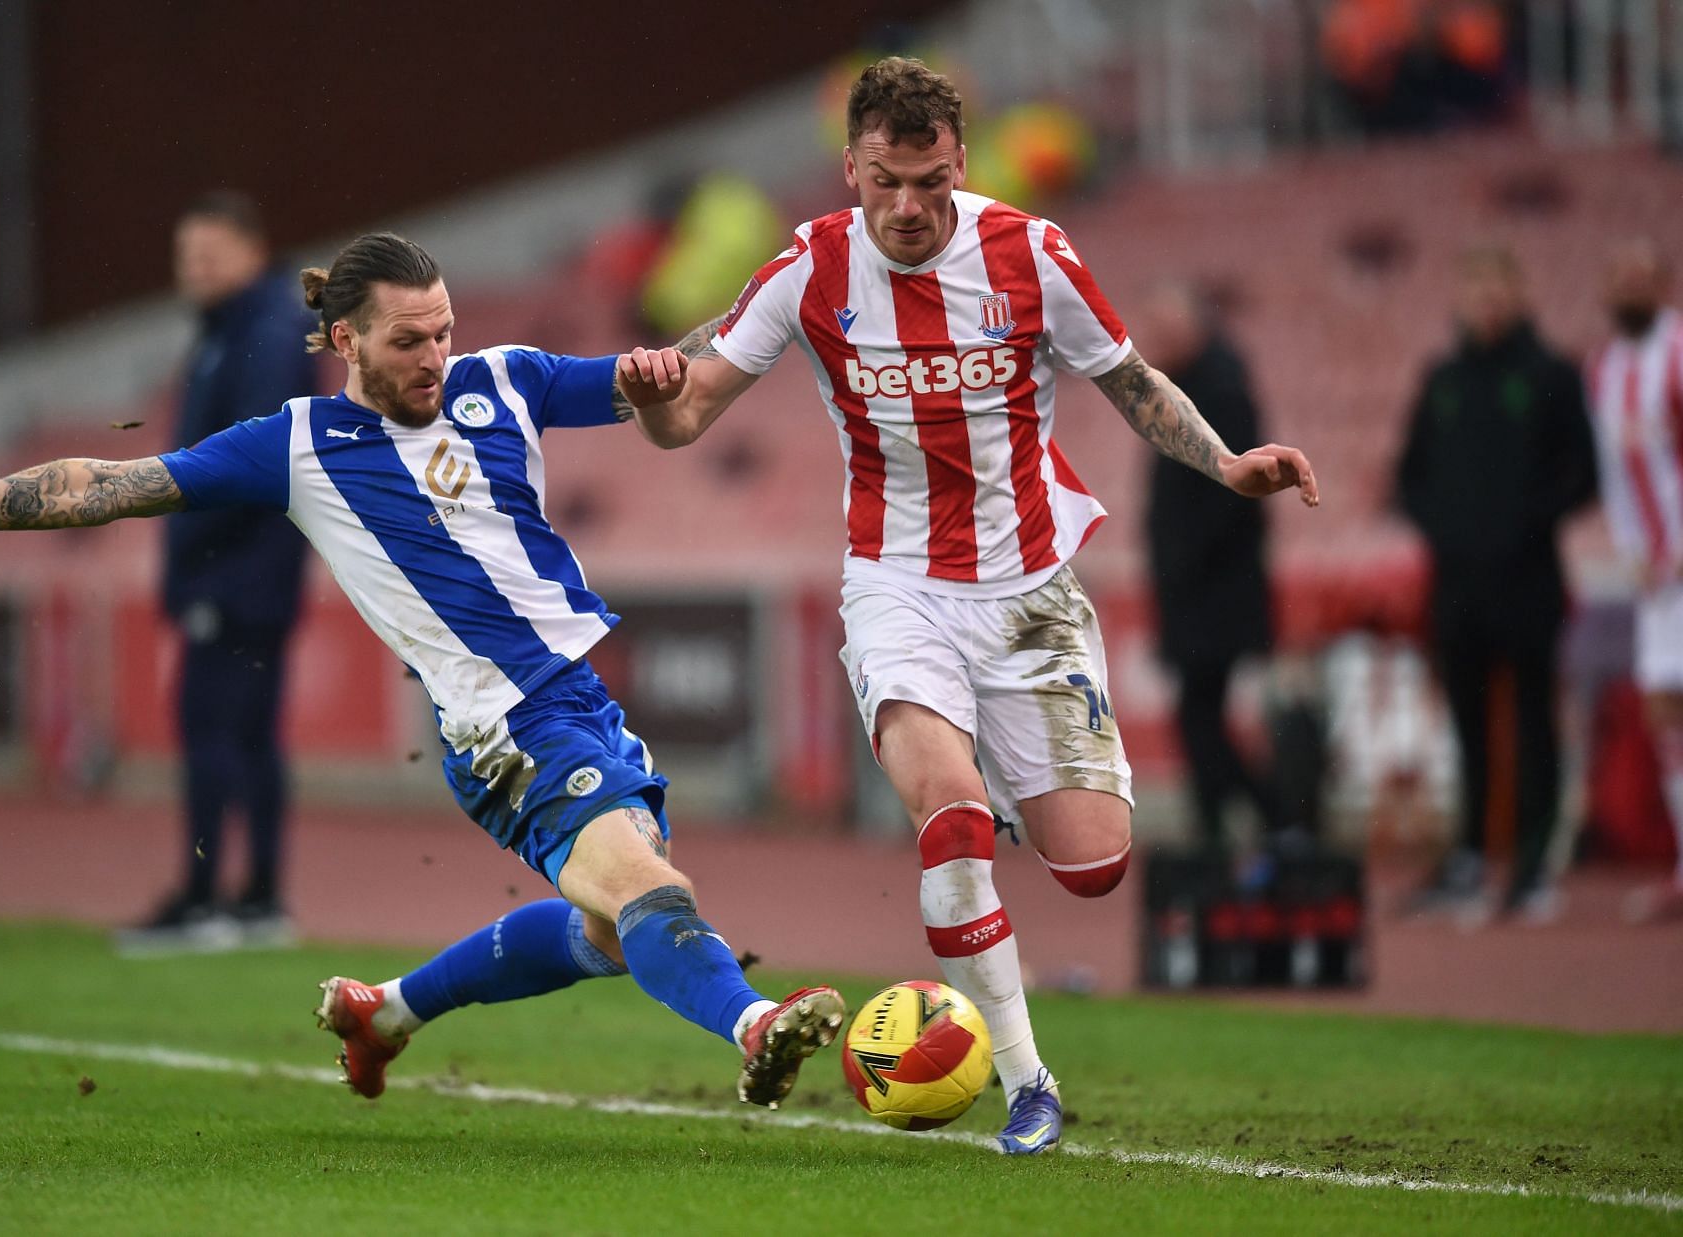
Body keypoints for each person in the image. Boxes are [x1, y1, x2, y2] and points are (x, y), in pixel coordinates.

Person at [0, 231, 844, 1112]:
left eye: (442, 332)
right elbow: (102, 483)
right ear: (343, 339)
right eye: (406, 340)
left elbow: (671, 392)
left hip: (582, 699)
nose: (434, 357)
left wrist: (665, 375)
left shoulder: (507, 381)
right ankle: (755, 1027)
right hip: (502, 725)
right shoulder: (297, 444)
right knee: (657, 893)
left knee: (613, 932)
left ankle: (385, 1012)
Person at [621, 57, 1319, 1153]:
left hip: (1031, 594)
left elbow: (1130, 380)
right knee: (949, 821)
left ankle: (1001, 777)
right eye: (887, 181)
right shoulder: (809, 267)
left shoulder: (1032, 253)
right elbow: (690, 411)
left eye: (932, 182)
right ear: (851, 165)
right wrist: (657, 406)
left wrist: (1228, 464)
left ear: (962, 164)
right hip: (896, 586)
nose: (908, 208)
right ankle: (1027, 1080)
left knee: (1093, 867)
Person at [123, 191, 317, 951]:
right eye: (186, 258)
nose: (194, 271)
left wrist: (192, 551)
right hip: (252, 568)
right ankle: (258, 897)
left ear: (252, 250)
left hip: (238, 571)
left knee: (213, 728)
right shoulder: (236, 332)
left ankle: (211, 898)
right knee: (250, 734)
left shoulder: (261, 335)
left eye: (208, 256)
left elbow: (246, 463)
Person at [1395, 245, 1596, 921]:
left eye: (1495, 286)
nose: (1483, 300)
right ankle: (1472, 860)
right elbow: (1408, 477)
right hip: (1457, 587)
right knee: (1469, 728)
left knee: (1536, 726)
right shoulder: (1443, 379)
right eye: (1473, 286)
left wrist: (1522, 524)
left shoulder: (1552, 374)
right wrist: (1447, 530)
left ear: (1518, 293)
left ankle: (1536, 868)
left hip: (1530, 581)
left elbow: (1583, 473)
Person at [1137, 282, 1280, 851]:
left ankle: (1257, 821)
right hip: (1201, 590)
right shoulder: (1196, 385)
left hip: (1211, 593)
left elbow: (1230, 497)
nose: (1157, 342)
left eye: (1168, 329)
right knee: (1201, 717)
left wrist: (1180, 562)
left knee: (1198, 718)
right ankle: (1236, 824)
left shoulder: (1218, 391)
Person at [1587, 238, 1683, 923]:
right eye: (1621, 276)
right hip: (1655, 571)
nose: (1631, 288)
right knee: (1665, 712)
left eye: (1642, 277)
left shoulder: (1677, 353)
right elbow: (1616, 473)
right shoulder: (1604, 367)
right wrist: (1630, 547)